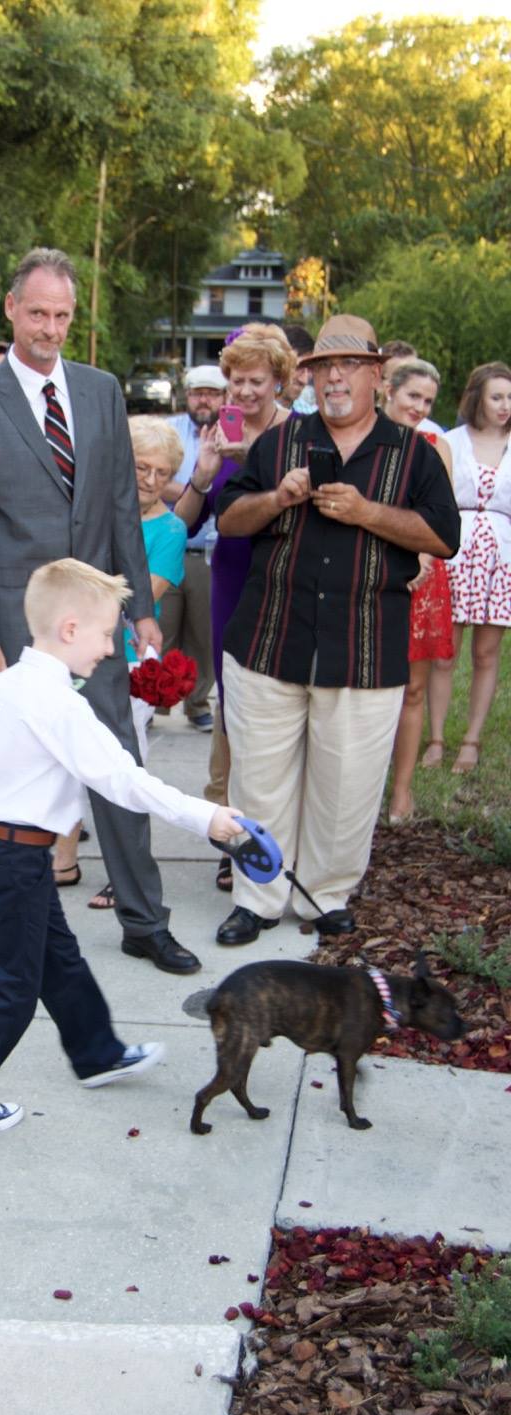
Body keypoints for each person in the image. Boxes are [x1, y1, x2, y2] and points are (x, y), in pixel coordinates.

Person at [0, 246, 201, 976]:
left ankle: (145, 921)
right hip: (17, 630)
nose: (49, 329)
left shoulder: (100, 390)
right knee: (20, 783)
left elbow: (120, 506)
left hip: (96, 625)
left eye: (61, 315)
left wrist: (139, 607)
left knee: (117, 766)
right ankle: (24, 925)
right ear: (11, 309)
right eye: (37, 314)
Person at [0, 559, 243, 1134]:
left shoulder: (4, 687)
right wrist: (207, 818)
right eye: (105, 635)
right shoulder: (59, 704)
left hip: (3, 851)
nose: (109, 648)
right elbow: (124, 781)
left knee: (59, 957)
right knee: (14, 984)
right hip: (18, 855)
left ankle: (97, 1053)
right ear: (70, 629)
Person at [212, 314, 460, 946]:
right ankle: (258, 898)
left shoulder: (413, 453)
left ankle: (324, 897)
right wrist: (277, 498)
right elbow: (230, 519)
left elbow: (443, 536)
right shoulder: (280, 443)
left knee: (346, 789)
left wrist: (367, 512)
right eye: (325, 367)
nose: (336, 378)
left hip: (363, 648)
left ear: (377, 377)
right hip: (268, 640)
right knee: (259, 781)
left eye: (350, 365)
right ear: (311, 377)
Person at [174, 323, 293, 893]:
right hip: (231, 576)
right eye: (236, 381)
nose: (244, 392)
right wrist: (202, 476)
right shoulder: (217, 434)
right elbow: (184, 522)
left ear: (279, 382)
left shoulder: (297, 434)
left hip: (286, 580)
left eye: (256, 381)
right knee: (232, 705)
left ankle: (280, 826)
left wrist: (259, 457)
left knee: (277, 705)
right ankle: (234, 836)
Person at [87, 416, 187, 911]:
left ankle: (125, 871)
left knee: (124, 765)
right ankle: (64, 857)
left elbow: (140, 595)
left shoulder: (171, 529)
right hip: (79, 652)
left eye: (161, 472)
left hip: (129, 662)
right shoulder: (96, 511)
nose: (149, 479)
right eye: (141, 467)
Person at [423, 362, 511, 774]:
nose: (505, 405)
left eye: (510, 398)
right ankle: (437, 739)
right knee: (445, 653)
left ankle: (471, 741)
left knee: (486, 652)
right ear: (478, 398)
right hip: (456, 554)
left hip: (501, 558)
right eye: (497, 397)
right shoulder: (451, 441)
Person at [381, 361, 455, 821]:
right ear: (389, 390)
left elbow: (443, 517)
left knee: (413, 688)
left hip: (423, 575)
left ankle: (401, 792)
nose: (421, 408)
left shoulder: (435, 445)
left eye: (428, 401)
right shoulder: (364, 439)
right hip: (370, 571)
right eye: (413, 396)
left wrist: (422, 559)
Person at [159, 364, 226, 733]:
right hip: (169, 546)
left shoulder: (233, 435)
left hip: (208, 551)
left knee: (203, 634)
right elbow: (152, 479)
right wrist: (200, 487)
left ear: (224, 397)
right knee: (162, 628)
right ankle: (155, 699)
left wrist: (188, 488)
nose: (204, 400)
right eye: (198, 393)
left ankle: (198, 702)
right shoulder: (168, 431)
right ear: (187, 396)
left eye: (212, 394)